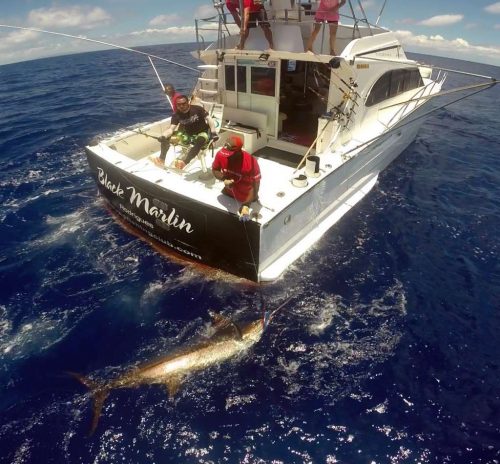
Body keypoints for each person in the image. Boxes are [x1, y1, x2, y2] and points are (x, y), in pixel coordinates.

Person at [153, 95, 217, 169]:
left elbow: (209, 119)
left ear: (188, 102)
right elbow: (171, 129)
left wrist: (213, 133)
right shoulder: (176, 115)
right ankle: (162, 159)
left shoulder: (197, 109)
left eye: (184, 103)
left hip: (202, 132)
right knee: (166, 138)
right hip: (188, 134)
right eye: (179, 104)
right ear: (176, 105)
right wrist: (163, 136)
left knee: (200, 141)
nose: (181, 106)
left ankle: (185, 162)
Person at [212, 135, 261, 220]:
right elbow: (215, 170)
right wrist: (224, 178)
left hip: (247, 198)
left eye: (230, 154)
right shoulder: (221, 154)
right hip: (228, 194)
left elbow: (255, 185)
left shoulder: (251, 162)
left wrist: (246, 205)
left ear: (239, 151)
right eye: (226, 152)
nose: (227, 157)